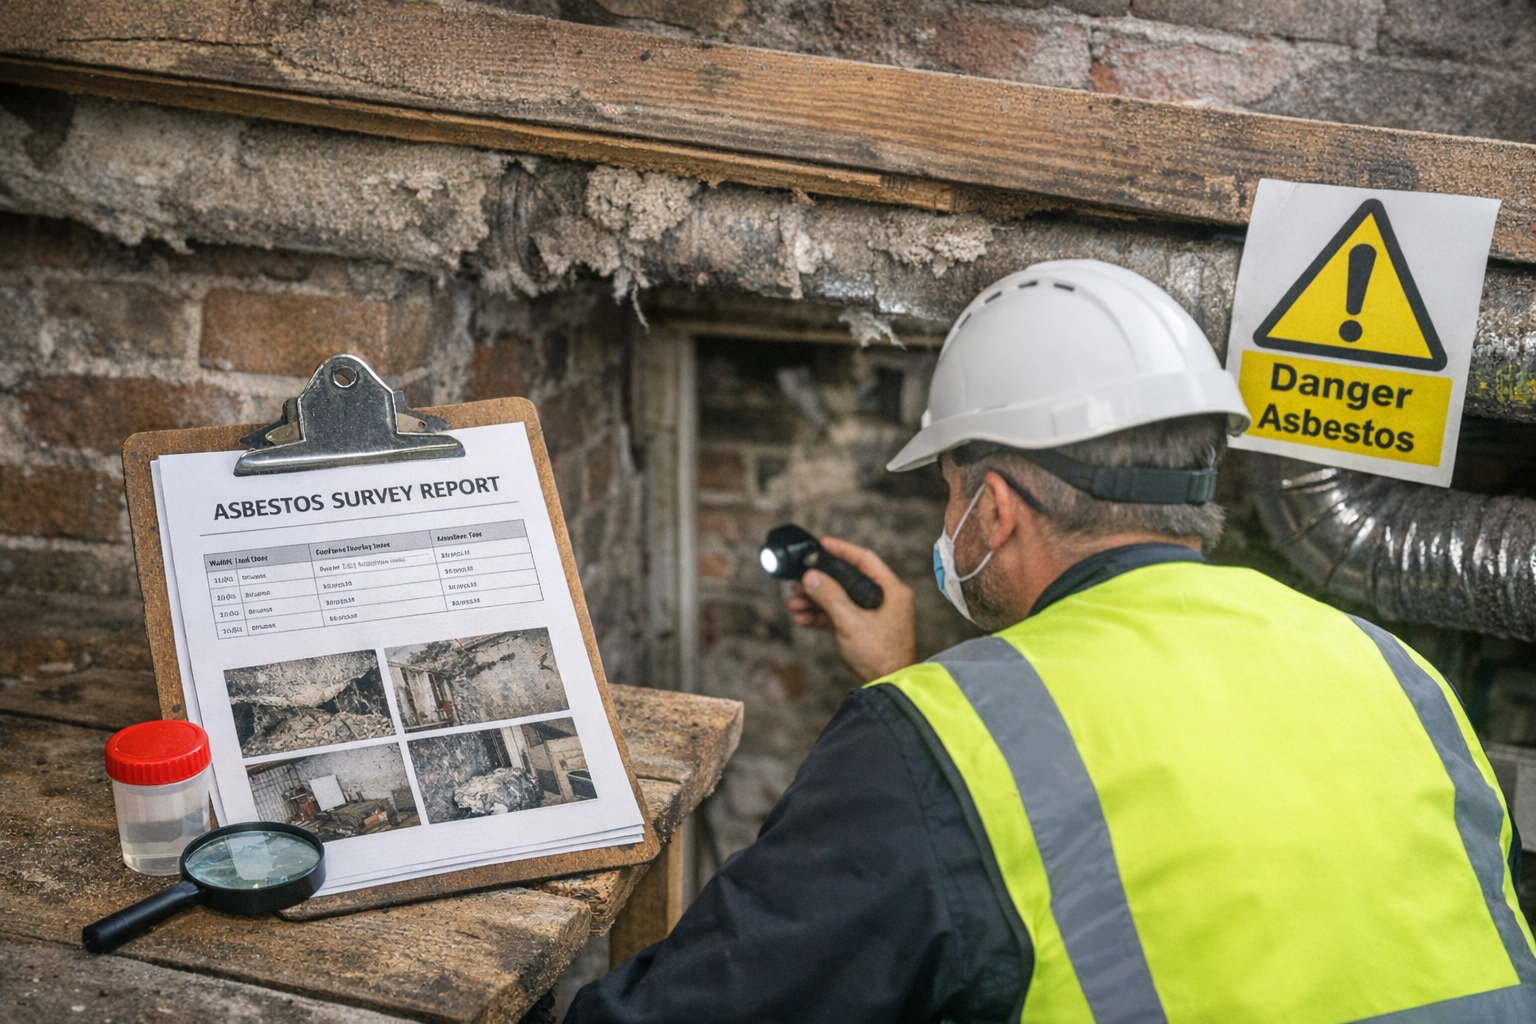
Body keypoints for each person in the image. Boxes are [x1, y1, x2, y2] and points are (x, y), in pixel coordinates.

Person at [565, 260, 1535, 1023]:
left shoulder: (933, 742)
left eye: (947, 490)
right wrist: (914, 685)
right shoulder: (1395, 670)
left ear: (990, 510)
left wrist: (916, 722)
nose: (948, 519)